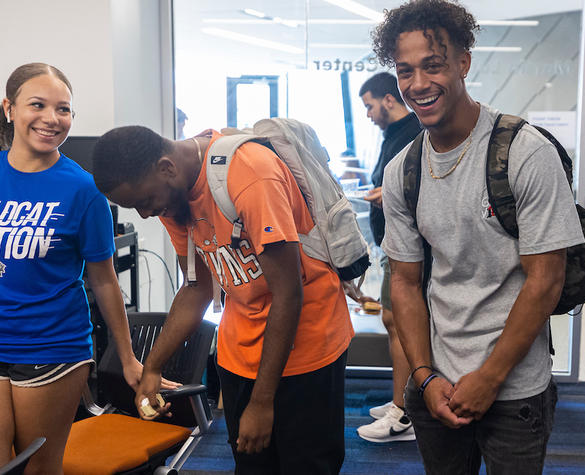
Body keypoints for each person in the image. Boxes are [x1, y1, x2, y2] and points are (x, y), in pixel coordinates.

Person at [373, 1, 585, 473]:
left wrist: (488, 378)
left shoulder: (525, 153)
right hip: (436, 381)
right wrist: (425, 378)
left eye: (433, 65)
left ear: (463, 62)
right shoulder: (402, 170)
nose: (419, 85)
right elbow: (405, 283)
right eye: (405, 72)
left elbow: (546, 281)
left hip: (514, 388)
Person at [91, 124, 354, 475]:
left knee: (304, 466)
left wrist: (261, 403)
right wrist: (152, 366)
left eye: (143, 202)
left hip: (306, 349)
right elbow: (197, 286)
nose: (144, 214)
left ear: (167, 168)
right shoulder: (174, 199)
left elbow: (289, 293)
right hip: (239, 352)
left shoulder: (250, 174)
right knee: (252, 464)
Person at [0, 63, 155, 474]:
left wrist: (127, 357)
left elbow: (103, 280)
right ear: (9, 109)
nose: (52, 119)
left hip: (51, 345)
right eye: (38, 105)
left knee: (37, 467)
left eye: (64, 109)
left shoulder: (83, 189)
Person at [356, 72, 422, 443]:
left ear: (388, 99)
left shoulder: (414, 134)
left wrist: (388, 195)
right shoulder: (393, 136)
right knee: (393, 321)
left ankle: (405, 413)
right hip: (394, 246)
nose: (368, 114)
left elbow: (420, 190)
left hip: (407, 248)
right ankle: (404, 400)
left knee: (399, 322)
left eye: (370, 105)